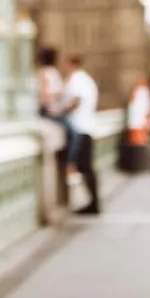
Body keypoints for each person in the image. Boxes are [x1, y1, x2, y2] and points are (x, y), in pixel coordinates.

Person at [52, 54, 100, 215]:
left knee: (83, 168)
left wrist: (59, 111)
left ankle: (93, 204)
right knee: (86, 168)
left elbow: (76, 101)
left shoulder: (77, 79)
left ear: (71, 64)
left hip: (80, 129)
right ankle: (93, 203)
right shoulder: (86, 79)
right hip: (87, 127)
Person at [36, 46, 79, 171]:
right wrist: (53, 107)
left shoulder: (44, 72)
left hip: (50, 109)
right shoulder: (48, 72)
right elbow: (46, 95)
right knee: (73, 134)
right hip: (51, 110)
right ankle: (70, 165)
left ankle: (67, 163)